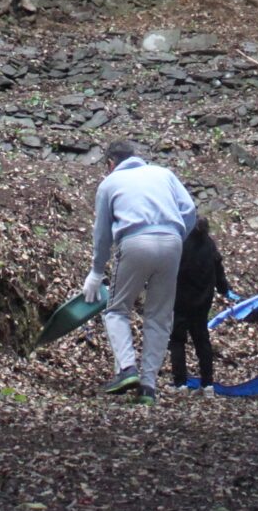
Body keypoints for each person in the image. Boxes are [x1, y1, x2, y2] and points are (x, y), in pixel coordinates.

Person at [83, 139, 197, 404]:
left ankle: (127, 368)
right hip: (172, 242)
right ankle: (148, 386)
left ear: (111, 164)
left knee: (116, 310)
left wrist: (96, 272)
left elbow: (101, 234)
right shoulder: (163, 174)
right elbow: (189, 210)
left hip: (134, 241)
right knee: (159, 316)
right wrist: (178, 235)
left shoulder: (109, 183)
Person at [169, 214, 235, 392]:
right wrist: (224, 289)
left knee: (177, 340)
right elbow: (218, 271)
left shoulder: (181, 243)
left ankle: (180, 383)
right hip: (202, 302)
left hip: (180, 300)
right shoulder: (210, 245)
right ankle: (207, 383)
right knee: (202, 341)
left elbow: (171, 269)